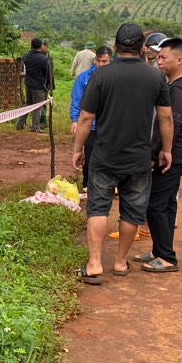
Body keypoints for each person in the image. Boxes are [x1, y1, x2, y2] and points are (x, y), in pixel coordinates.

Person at [72, 23, 172, 284]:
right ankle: (119, 262)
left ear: (115, 46)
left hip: (105, 156)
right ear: (141, 48)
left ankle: (94, 264)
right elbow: (166, 118)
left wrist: (78, 149)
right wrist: (167, 150)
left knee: (98, 208)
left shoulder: (101, 76)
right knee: (131, 212)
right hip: (138, 159)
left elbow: (85, 118)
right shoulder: (155, 77)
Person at [135, 37, 182, 272]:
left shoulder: (179, 92)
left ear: (179, 60)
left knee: (155, 204)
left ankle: (167, 257)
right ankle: (160, 250)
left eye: (163, 57)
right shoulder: (174, 86)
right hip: (174, 154)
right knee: (168, 204)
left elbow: (170, 124)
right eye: (158, 57)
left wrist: (161, 152)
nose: (158, 61)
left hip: (173, 156)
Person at [70, 46, 114, 188]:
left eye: (104, 61)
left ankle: (110, 184)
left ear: (111, 61)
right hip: (91, 126)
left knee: (110, 156)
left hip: (110, 125)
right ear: (95, 60)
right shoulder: (84, 79)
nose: (101, 64)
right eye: (99, 61)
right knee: (90, 156)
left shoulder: (116, 78)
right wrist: (75, 120)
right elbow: (76, 100)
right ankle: (88, 184)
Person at [16, 38, 54, 132]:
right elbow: (48, 74)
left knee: (28, 104)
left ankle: (19, 124)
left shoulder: (26, 56)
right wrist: (50, 86)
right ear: (41, 46)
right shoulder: (44, 59)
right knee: (38, 106)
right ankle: (35, 126)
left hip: (28, 84)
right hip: (39, 86)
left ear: (31, 45)